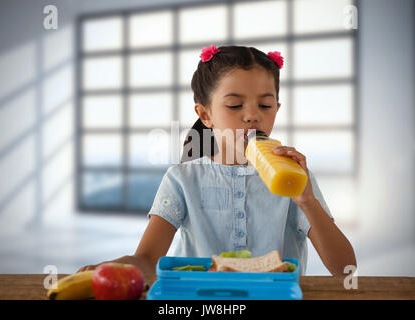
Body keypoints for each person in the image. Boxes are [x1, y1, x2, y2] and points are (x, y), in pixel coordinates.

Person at [78, 45, 356, 276]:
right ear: (206, 114)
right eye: (235, 105)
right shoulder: (182, 179)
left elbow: (345, 270)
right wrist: (120, 265)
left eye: (265, 105)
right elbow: (148, 259)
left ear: (277, 109)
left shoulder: (296, 179)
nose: (252, 115)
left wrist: (307, 201)